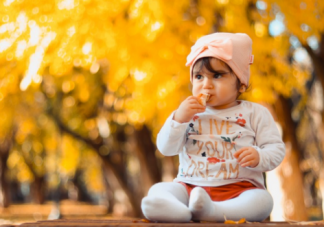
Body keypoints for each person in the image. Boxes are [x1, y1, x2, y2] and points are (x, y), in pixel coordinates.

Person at [141, 32, 285, 222]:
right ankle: (180, 212)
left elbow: (276, 149)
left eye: (217, 75)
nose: (206, 85)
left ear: (241, 84)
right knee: (159, 189)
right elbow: (166, 148)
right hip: (189, 187)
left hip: (239, 189)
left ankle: (213, 211)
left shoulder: (255, 113)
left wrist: (259, 156)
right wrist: (178, 120)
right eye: (199, 76)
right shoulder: (186, 113)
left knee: (263, 201)